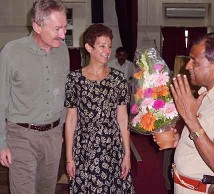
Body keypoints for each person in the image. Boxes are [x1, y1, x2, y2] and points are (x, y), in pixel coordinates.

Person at [154, 32, 214, 194]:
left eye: (195, 62)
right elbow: (204, 134)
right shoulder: (208, 92)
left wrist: (190, 119)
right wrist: (183, 139)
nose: (188, 66)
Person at [0, 0, 69, 193]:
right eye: (57, 29)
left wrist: (61, 132)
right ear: (37, 26)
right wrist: (1, 143)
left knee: (46, 190)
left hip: (53, 136)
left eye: (65, 27)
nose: (63, 34)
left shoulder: (62, 50)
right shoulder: (11, 52)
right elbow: (0, 100)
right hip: (21, 135)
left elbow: (63, 93)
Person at [64, 24, 135, 194]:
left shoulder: (118, 79)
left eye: (109, 46)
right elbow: (71, 120)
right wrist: (69, 158)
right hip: (84, 149)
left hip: (112, 148)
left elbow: (123, 118)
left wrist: (126, 154)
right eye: (102, 46)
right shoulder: (74, 79)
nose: (107, 51)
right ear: (89, 47)